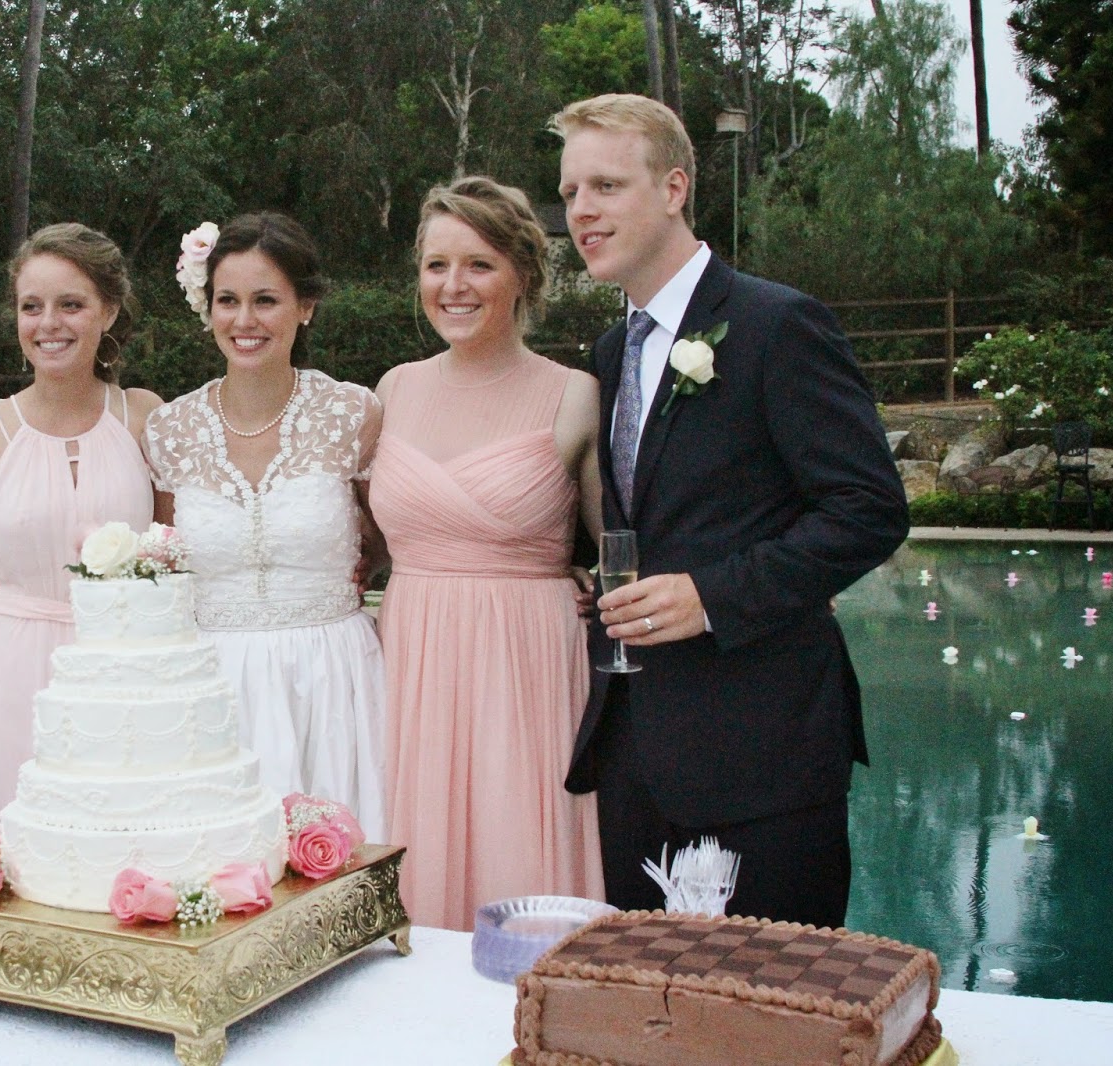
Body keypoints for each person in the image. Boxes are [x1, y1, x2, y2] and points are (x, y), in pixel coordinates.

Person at [554, 94, 909, 928]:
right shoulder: (612, 349)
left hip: (764, 752)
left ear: (675, 188)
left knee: (773, 992)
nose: (581, 211)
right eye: (569, 192)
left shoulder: (777, 324)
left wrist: (710, 596)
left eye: (606, 186)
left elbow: (868, 509)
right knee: (647, 989)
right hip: (635, 749)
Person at [369, 176, 605, 931]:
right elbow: (355, 541)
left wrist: (595, 582)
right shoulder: (392, 391)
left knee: (520, 858)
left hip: (526, 666)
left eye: (479, 264)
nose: (454, 285)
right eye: (437, 265)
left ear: (523, 274)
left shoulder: (575, 394)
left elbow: (623, 544)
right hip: (413, 660)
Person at [141, 212, 387, 835]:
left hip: (334, 679)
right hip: (213, 688)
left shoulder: (353, 413)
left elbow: (397, 537)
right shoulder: (169, 430)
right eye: (228, 300)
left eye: (266, 300)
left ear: (306, 306)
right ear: (207, 307)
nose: (244, 320)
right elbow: (163, 567)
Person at [0, 223, 160, 839]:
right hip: (5, 680)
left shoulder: (144, 416)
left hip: (124, 679)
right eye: (32, 307)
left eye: (71, 304)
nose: (49, 324)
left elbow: (177, 559)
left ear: (109, 311)